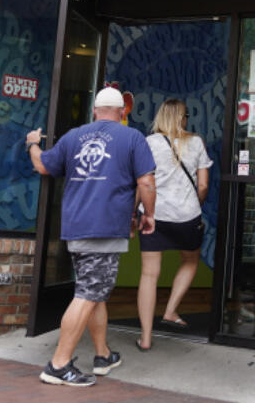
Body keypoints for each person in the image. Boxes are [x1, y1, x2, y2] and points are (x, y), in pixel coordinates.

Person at [26, 87, 156, 387]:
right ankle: (58, 365)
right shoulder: (133, 137)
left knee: (94, 292)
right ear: (122, 112)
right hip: (106, 227)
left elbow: (42, 165)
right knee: (87, 295)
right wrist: (148, 214)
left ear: (95, 111)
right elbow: (146, 182)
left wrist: (32, 143)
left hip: (76, 226)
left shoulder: (73, 136)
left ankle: (102, 355)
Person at [135, 98, 211, 351]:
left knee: (149, 275)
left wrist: (134, 212)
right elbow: (203, 185)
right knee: (190, 261)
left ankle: (145, 337)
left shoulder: (149, 143)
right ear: (182, 117)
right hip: (186, 216)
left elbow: (142, 182)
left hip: (154, 214)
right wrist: (194, 204)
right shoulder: (196, 142)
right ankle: (170, 310)